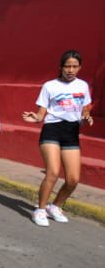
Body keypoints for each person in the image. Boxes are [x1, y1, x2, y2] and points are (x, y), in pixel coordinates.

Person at [22, 50, 92, 226]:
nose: (70, 70)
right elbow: (41, 114)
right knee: (52, 172)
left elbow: (85, 109)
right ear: (61, 67)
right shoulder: (50, 86)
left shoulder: (83, 86)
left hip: (71, 132)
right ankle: (40, 209)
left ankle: (55, 206)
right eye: (67, 66)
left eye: (74, 66)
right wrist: (35, 118)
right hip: (52, 130)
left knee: (73, 179)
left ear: (80, 67)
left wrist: (86, 117)